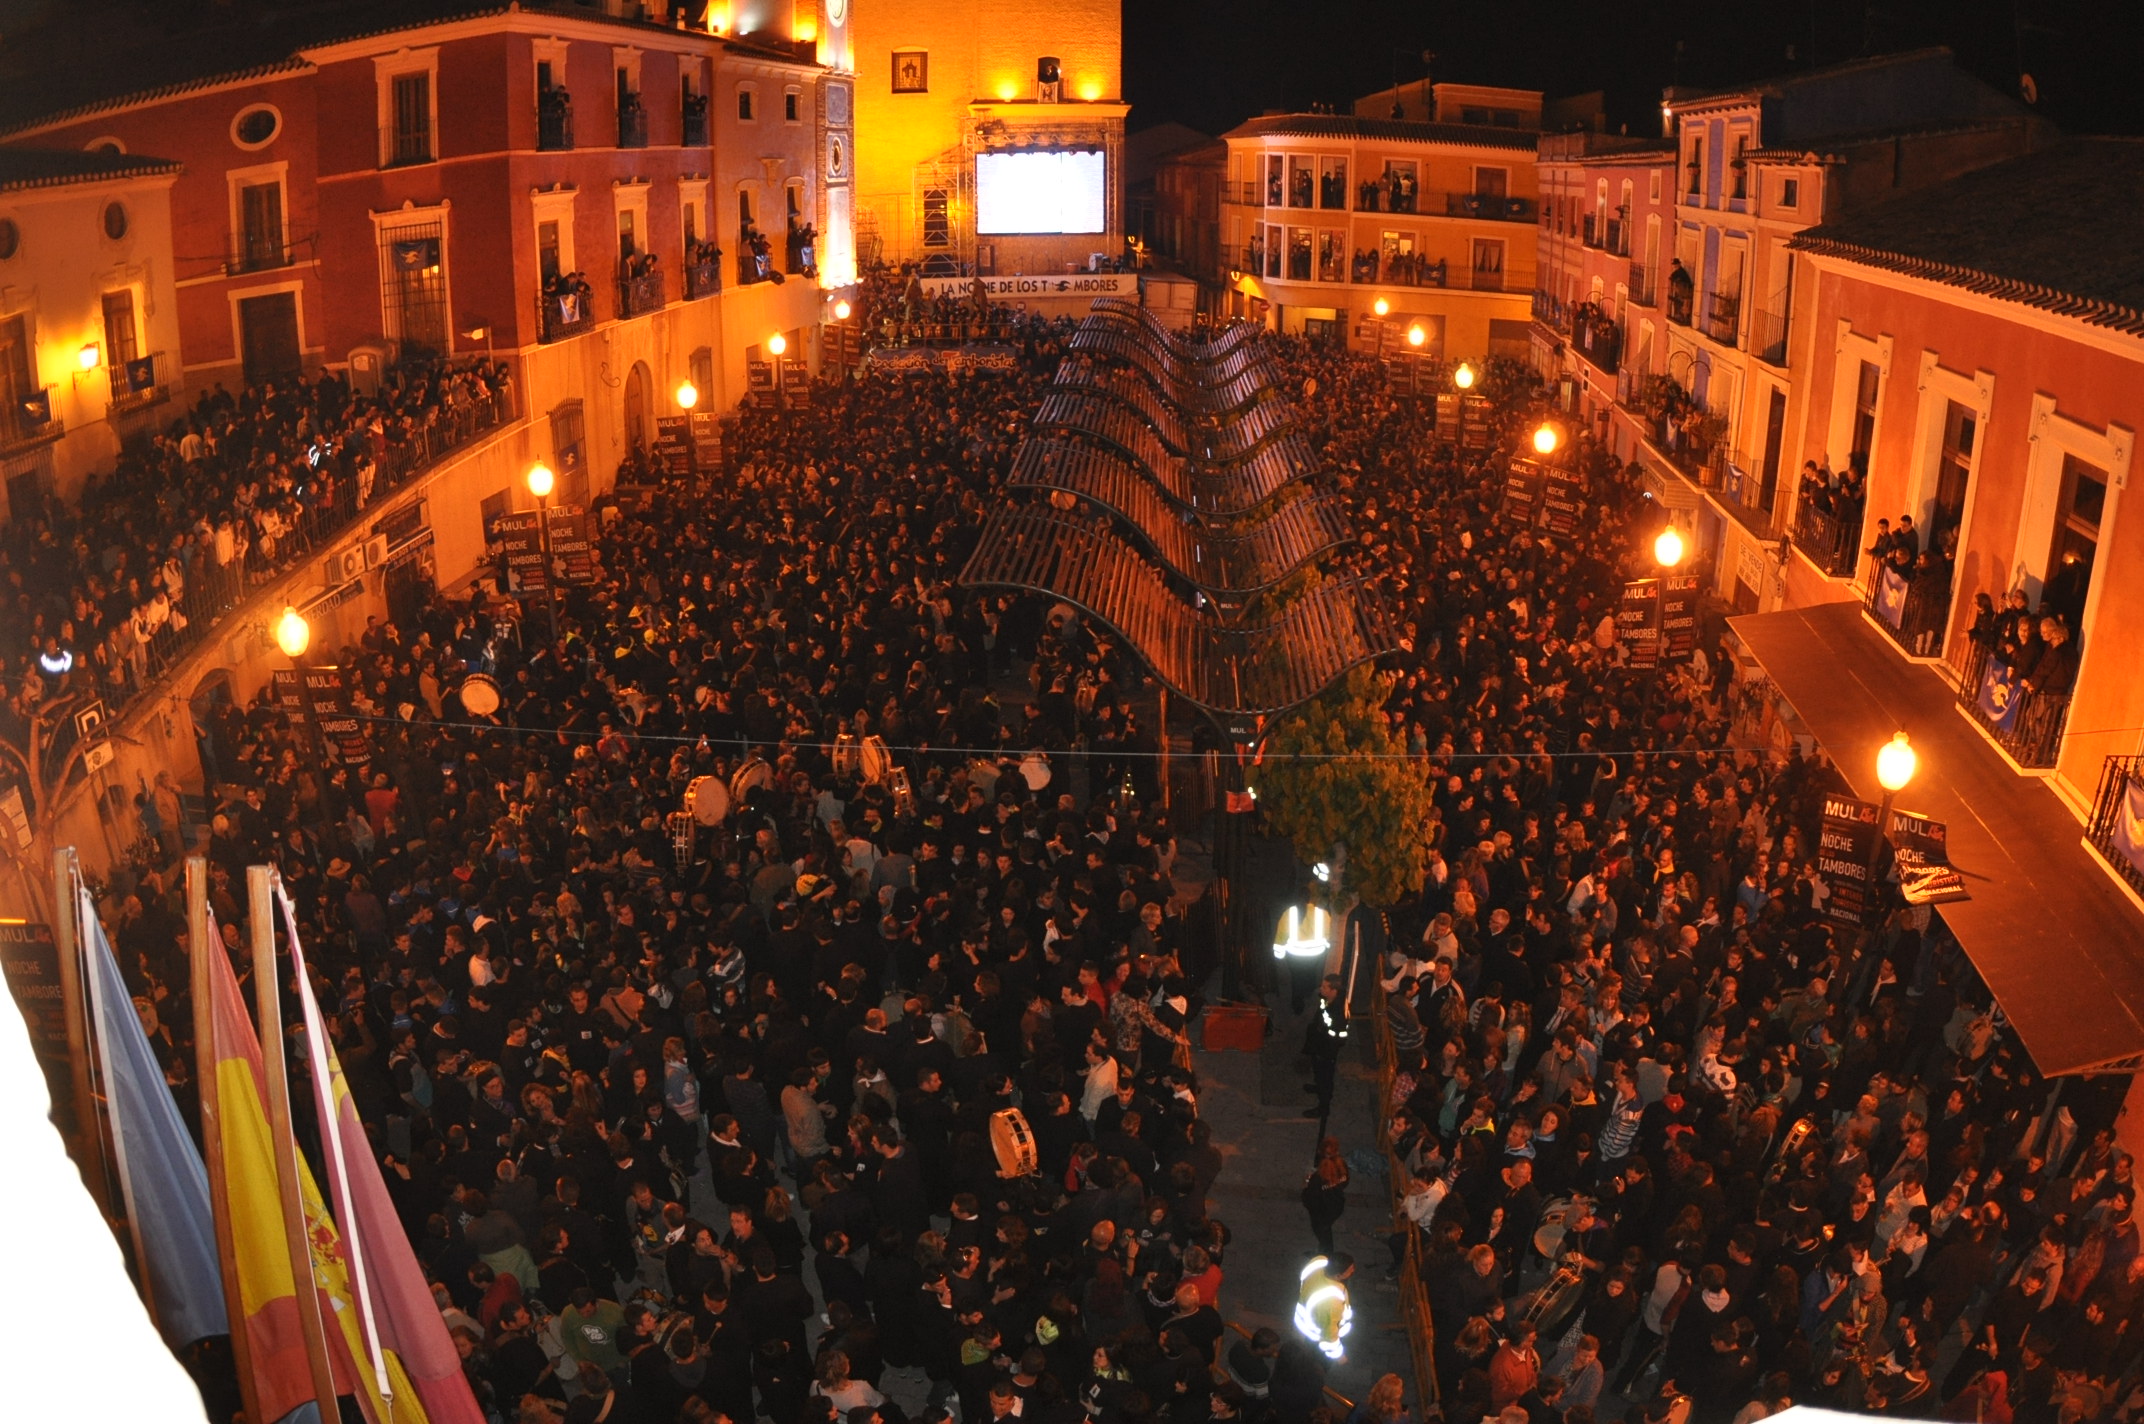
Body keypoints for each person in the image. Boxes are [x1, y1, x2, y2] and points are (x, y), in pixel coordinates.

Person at [1295, 1252, 1356, 1361]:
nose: (1353, 1270)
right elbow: (1330, 1334)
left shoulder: (1318, 1261)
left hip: (1305, 1317)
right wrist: (1338, 1355)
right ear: (1338, 1275)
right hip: (1316, 1333)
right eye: (1350, 1270)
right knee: (1317, 1359)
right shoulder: (1332, 1303)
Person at [1303, 974, 1349, 1115]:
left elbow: (1336, 1035)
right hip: (1319, 1043)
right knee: (1318, 1071)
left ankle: (1323, 1107)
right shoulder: (1328, 1000)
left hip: (1327, 1049)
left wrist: (1324, 1048)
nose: (1321, 989)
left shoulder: (1339, 1012)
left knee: (1325, 1077)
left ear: (1333, 990)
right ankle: (1318, 1086)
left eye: (1324, 987)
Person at [1302, 1137, 1350, 1256]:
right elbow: (1345, 1182)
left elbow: (1309, 1197)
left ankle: (1326, 1253)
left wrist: (1306, 1185)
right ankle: (1325, 1250)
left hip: (1321, 1210)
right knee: (1326, 1228)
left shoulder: (1318, 1178)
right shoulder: (1342, 1166)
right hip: (1336, 1205)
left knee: (1322, 1231)